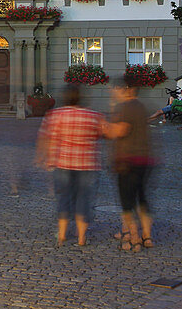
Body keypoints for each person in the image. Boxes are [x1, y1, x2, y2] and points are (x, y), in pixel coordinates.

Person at [34, 85, 104, 246]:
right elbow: (102, 133)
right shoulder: (93, 115)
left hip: (62, 162)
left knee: (63, 197)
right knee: (84, 199)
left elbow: (44, 137)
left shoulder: (55, 115)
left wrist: (41, 156)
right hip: (87, 164)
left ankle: (63, 234)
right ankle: (81, 237)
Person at [103, 81, 155, 252]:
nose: (115, 92)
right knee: (141, 199)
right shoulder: (141, 106)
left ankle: (134, 237)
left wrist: (106, 128)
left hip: (128, 159)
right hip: (145, 158)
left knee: (127, 201)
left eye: (117, 89)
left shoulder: (126, 107)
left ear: (127, 90)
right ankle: (146, 236)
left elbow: (120, 131)